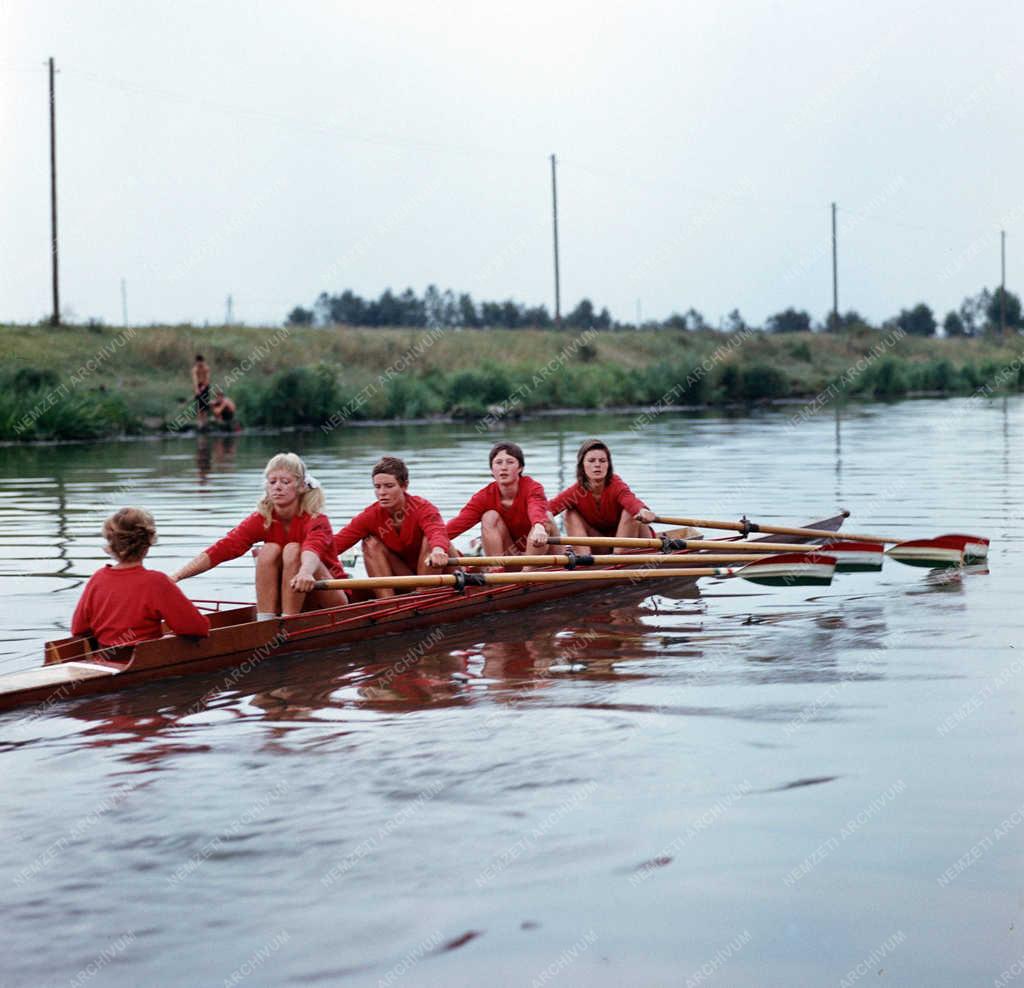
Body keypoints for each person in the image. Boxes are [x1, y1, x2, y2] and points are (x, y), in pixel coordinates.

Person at [171, 452, 348, 617]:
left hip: (331, 599)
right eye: (272, 482)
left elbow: (313, 549)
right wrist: (177, 576)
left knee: (293, 549)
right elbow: (222, 549)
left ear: (301, 487)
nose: (277, 487)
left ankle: (288, 622)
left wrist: (305, 572)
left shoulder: (317, 519)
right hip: (290, 595)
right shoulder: (263, 519)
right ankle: (265, 623)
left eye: (285, 482)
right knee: (268, 550)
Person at [72, 508, 210, 647]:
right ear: (148, 542)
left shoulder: (98, 579)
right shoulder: (156, 582)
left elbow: (79, 630)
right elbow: (198, 629)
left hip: (104, 660)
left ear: (111, 543)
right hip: (145, 660)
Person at [333, 456, 451, 598]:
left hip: (441, 575)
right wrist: (306, 558)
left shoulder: (423, 508)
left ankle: (422, 597)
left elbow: (436, 532)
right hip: (407, 578)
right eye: (377, 487)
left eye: (389, 486)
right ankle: (387, 602)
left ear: (404, 486)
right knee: (370, 543)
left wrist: (438, 549)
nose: (382, 492)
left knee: (431, 541)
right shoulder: (370, 516)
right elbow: (335, 545)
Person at [446, 441, 559, 561]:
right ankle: (496, 570)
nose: (504, 467)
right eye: (498, 463)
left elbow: (536, 508)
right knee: (489, 516)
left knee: (546, 517)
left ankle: (528, 573)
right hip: (512, 559)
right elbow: (458, 524)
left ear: (520, 468)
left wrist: (539, 526)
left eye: (510, 462)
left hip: (546, 558)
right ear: (492, 469)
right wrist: (433, 538)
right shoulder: (484, 496)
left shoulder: (532, 487)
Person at [549, 438, 657, 552]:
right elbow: (547, 509)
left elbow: (630, 500)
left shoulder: (616, 484)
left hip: (632, 543)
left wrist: (642, 510)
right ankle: (584, 559)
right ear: (582, 465)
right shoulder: (576, 492)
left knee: (630, 512)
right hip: (603, 546)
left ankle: (619, 559)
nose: (597, 465)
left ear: (608, 465)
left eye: (602, 461)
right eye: (591, 461)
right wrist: (536, 526)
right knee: (569, 513)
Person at [191, 354, 211, 430]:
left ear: (203, 361)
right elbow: (195, 380)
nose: (199, 364)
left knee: (205, 406)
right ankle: (199, 424)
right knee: (199, 406)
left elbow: (208, 379)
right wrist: (196, 389)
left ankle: (205, 423)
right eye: (197, 362)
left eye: (200, 362)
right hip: (198, 386)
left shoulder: (206, 368)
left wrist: (204, 387)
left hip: (205, 386)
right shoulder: (194, 369)